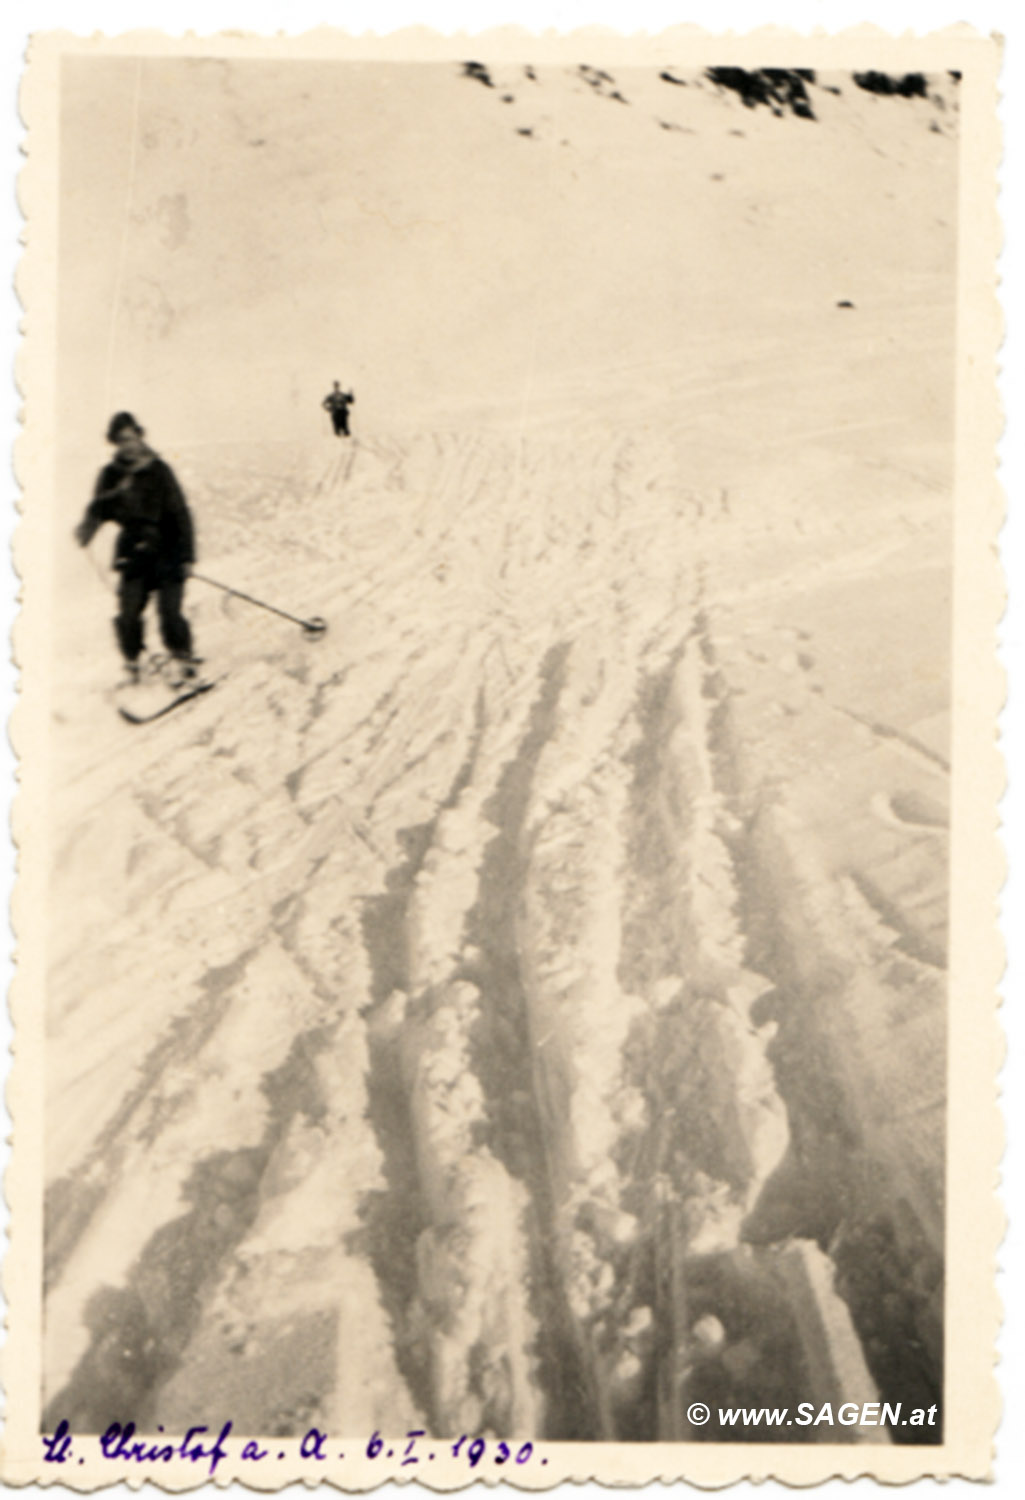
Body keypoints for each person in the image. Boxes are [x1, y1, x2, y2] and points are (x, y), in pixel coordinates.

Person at [75, 412, 198, 683]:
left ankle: (184, 658)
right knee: (127, 615)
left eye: (131, 439)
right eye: (121, 441)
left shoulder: (159, 470)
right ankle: (133, 663)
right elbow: (99, 509)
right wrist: (86, 529)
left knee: (169, 613)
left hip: (167, 549)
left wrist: (187, 555)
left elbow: (180, 513)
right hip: (133, 553)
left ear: (140, 437)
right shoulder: (109, 476)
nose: (127, 446)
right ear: (114, 444)